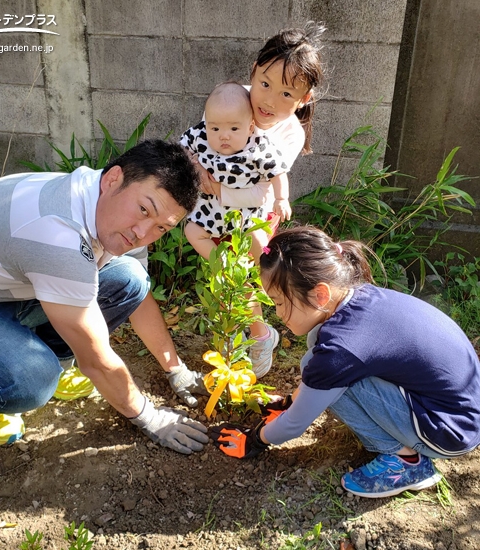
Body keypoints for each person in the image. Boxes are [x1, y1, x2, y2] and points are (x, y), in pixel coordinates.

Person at [0, 139, 209, 455]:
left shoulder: (110, 206)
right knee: (33, 379)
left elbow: (140, 298)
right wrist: (151, 418)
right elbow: (96, 360)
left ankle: (57, 359)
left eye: (161, 227)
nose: (143, 233)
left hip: (0, 281)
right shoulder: (58, 234)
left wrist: (176, 369)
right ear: (113, 178)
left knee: (130, 277)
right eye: (144, 209)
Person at [211, 225, 480, 498]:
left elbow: (296, 424)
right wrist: (289, 402)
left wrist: (255, 439)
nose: (277, 313)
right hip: (458, 408)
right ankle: (405, 444)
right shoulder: (358, 298)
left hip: (448, 430)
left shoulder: (342, 349)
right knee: (319, 370)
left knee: (333, 378)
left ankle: (407, 463)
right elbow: (317, 367)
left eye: (279, 302)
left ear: (321, 294)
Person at [193, 24, 326, 378]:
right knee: (223, 275)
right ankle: (232, 334)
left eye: (287, 94)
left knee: (249, 275)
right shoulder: (232, 101)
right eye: (265, 84)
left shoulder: (289, 133)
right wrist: (193, 166)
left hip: (254, 213)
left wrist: (218, 190)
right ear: (253, 71)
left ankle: (259, 335)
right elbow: (199, 141)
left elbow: (264, 191)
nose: (268, 100)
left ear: (304, 99)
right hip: (215, 212)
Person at [181, 81, 290, 261]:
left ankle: (263, 273)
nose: (224, 135)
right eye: (215, 128)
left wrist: (281, 198)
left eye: (234, 128)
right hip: (210, 210)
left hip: (245, 214)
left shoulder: (258, 146)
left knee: (258, 243)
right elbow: (180, 148)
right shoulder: (200, 135)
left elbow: (278, 171)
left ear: (249, 127)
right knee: (192, 232)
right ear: (206, 123)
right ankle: (222, 265)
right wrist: (193, 164)